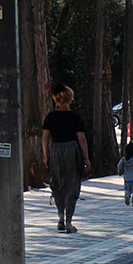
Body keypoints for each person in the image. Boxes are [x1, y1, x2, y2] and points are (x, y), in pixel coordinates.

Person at [40, 84, 90, 233]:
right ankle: (69, 222)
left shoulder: (50, 117)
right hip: (71, 150)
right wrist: (86, 158)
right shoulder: (75, 117)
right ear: (70, 98)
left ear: (56, 99)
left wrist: (46, 156)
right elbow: (81, 138)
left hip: (55, 150)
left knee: (57, 184)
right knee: (72, 185)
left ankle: (60, 217)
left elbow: (45, 138)